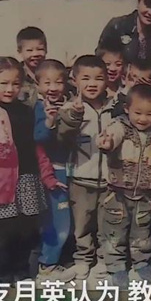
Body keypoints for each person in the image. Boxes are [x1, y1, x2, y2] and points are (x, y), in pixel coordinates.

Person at [0, 57, 63, 286]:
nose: (10, 89)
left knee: (27, 233)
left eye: (15, 83)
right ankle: (1, 277)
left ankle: (22, 272)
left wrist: (47, 175)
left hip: (27, 181)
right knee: (3, 238)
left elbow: (37, 145)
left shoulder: (26, 110)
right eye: (4, 83)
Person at [97, 84, 151, 288]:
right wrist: (107, 143)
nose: (143, 119)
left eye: (149, 114)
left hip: (145, 194)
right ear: (127, 109)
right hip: (118, 192)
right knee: (115, 230)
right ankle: (116, 266)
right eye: (138, 113)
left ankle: (141, 262)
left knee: (142, 230)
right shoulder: (120, 127)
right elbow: (112, 137)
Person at [58, 55, 116, 281]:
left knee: (105, 222)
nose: (92, 84)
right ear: (74, 80)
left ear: (107, 80)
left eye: (98, 78)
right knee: (81, 224)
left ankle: (103, 258)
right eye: (86, 78)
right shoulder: (70, 108)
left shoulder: (114, 107)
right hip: (80, 178)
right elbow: (62, 137)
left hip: (109, 179)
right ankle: (83, 259)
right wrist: (75, 115)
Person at [33, 59, 76, 281]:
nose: (53, 87)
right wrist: (49, 122)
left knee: (70, 218)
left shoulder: (70, 104)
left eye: (58, 82)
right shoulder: (38, 108)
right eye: (47, 82)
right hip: (53, 171)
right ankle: (47, 265)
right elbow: (38, 141)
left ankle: (60, 257)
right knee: (58, 220)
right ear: (37, 85)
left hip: (72, 169)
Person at [97, 0, 151, 76]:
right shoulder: (117, 26)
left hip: (148, 83)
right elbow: (99, 60)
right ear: (138, 2)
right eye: (148, 5)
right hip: (118, 81)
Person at [16, 27, 47, 108]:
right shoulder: (16, 76)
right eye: (29, 50)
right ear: (20, 52)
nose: (35, 54)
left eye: (40, 49)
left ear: (46, 50)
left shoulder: (53, 73)